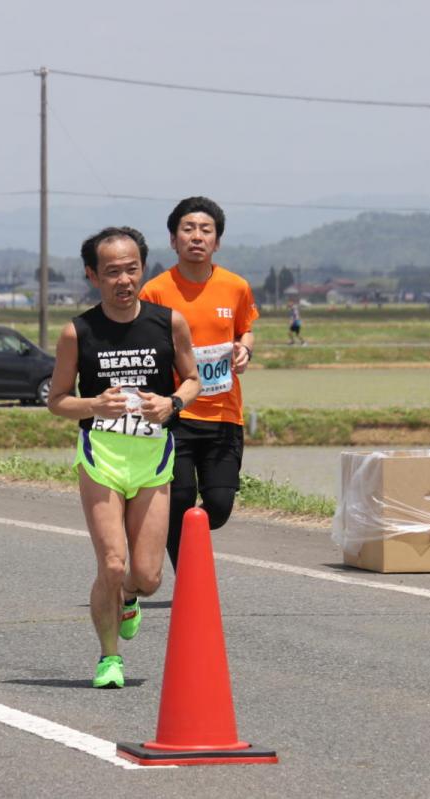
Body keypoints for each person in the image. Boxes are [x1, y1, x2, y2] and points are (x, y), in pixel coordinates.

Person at [48, 226, 200, 689]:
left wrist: (171, 403)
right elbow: (56, 399)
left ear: (143, 269)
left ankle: (131, 597)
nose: (123, 280)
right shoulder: (78, 331)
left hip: (152, 458)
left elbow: (193, 380)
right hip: (102, 457)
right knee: (112, 564)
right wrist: (94, 406)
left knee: (148, 577)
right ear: (93, 275)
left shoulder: (168, 323)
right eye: (111, 272)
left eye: (132, 269)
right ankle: (109, 657)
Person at [138, 196, 258, 571]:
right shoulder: (155, 292)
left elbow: (246, 331)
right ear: (173, 240)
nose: (196, 237)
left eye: (206, 230)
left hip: (224, 414)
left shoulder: (235, 287)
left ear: (217, 241)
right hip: (174, 414)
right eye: (187, 229)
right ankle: (190, 575)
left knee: (219, 505)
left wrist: (244, 351)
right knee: (180, 498)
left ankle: (180, 540)